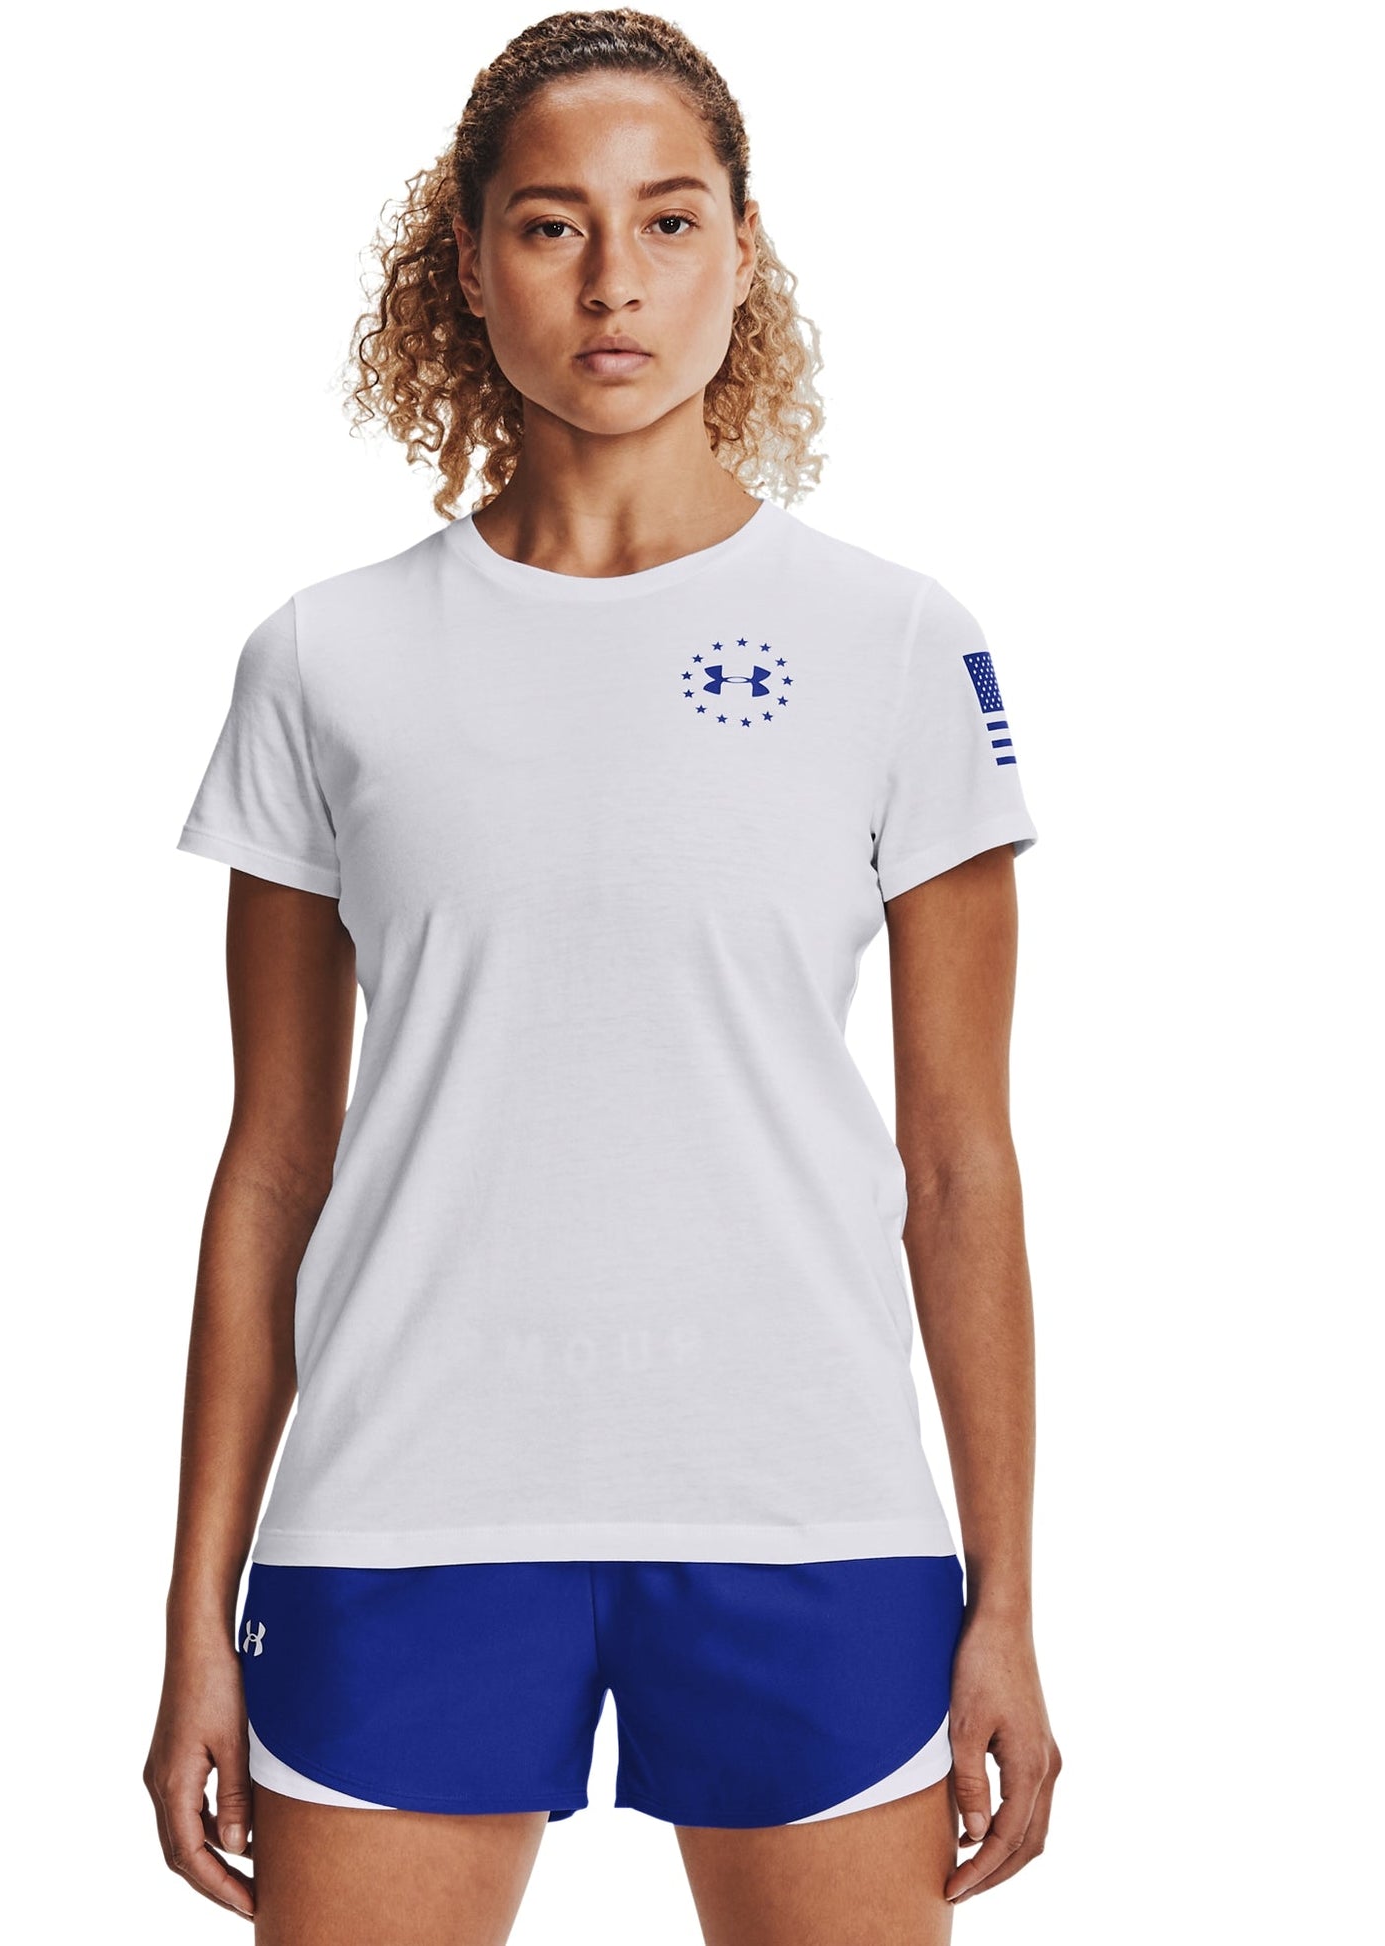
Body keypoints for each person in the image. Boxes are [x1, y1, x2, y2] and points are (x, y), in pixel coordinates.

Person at [143, 10, 1060, 1940]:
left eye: (669, 217)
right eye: (552, 223)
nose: (614, 279)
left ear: (743, 246)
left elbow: (959, 1161)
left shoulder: (895, 645)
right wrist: (192, 1618)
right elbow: (273, 1165)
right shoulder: (323, 660)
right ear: (468, 262)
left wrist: (1006, 1599)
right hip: (401, 1517)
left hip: (807, 1514)